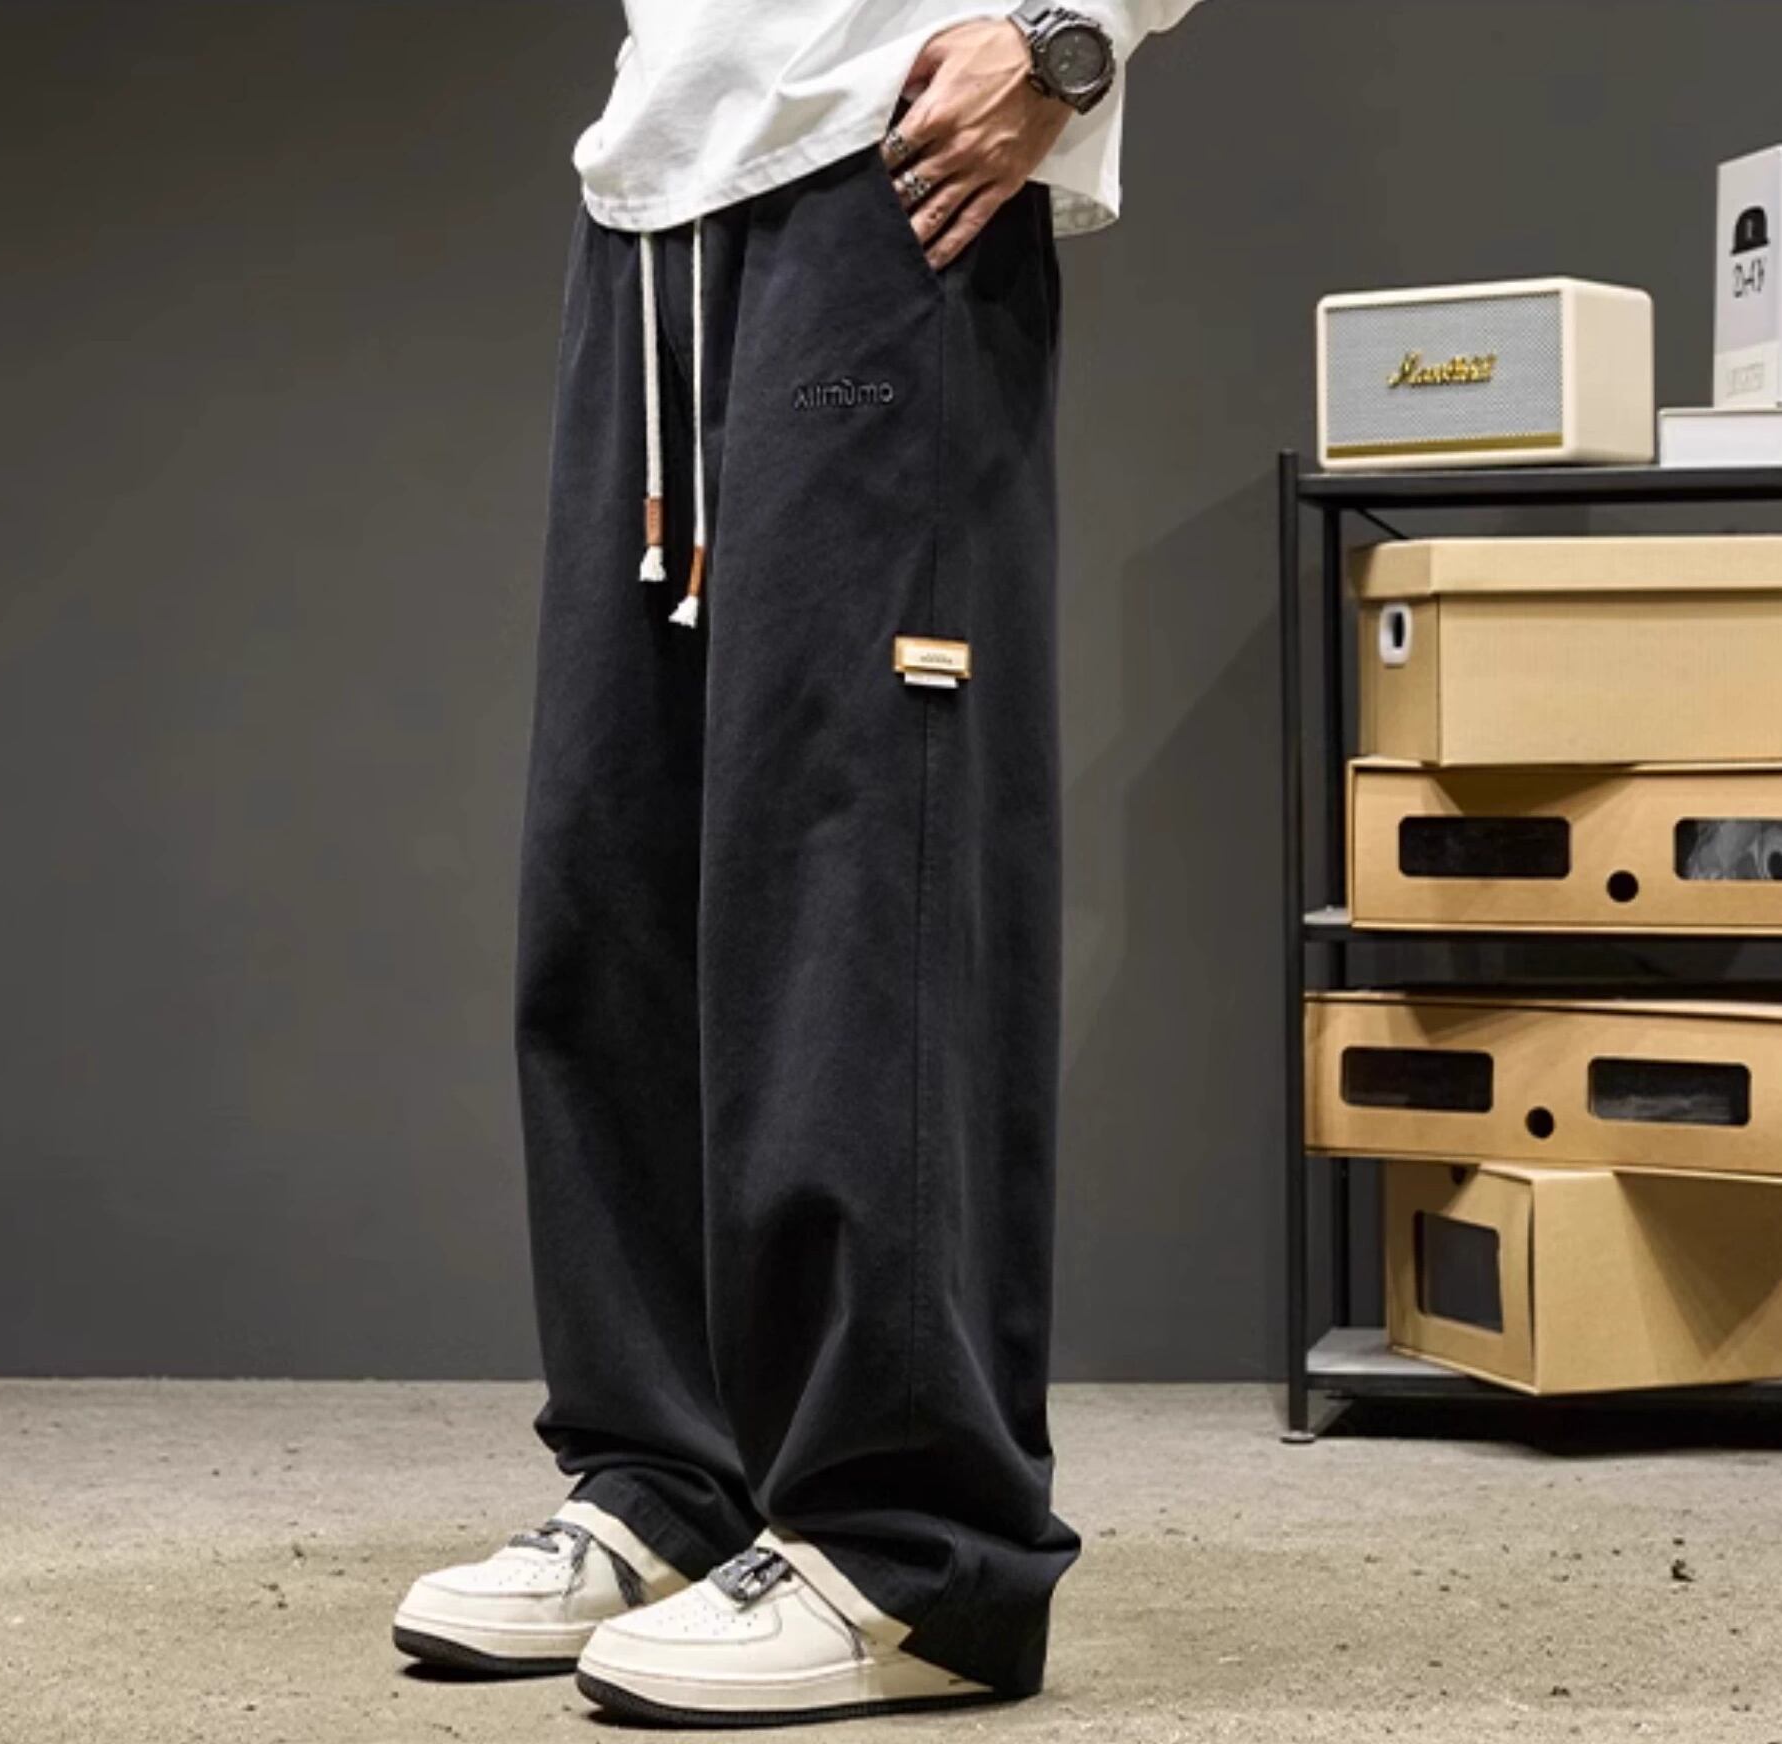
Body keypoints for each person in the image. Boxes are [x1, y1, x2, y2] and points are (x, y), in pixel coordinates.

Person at [395, 0, 1201, 1725]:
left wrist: (1071, 37)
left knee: (861, 848)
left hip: (888, 166)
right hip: (653, 208)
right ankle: (668, 1477)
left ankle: (919, 1553)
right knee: (618, 869)